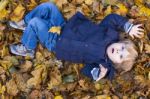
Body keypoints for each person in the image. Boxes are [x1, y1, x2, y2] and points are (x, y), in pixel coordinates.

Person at [9, 2, 143, 81]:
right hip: (64, 26)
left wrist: (99, 73)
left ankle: (28, 47)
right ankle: (25, 23)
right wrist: (127, 26)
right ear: (121, 41)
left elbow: (86, 70)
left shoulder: (103, 63)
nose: (119, 51)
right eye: (123, 48)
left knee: (36, 23)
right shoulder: (108, 33)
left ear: (115, 63)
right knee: (48, 6)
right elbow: (112, 18)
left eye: (120, 56)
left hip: (57, 44)